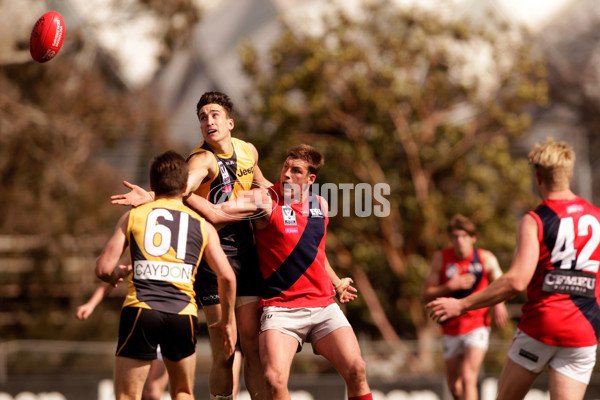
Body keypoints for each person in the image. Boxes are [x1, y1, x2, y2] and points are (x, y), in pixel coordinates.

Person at [111, 92, 269, 400]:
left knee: (252, 346)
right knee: (226, 346)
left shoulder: (248, 151)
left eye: (214, 115)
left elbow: (265, 187)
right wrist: (153, 198)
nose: (208, 121)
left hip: (246, 256)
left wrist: (293, 198)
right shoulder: (202, 159)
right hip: (212, 260)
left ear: (230, 122)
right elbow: (181, 188)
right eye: (202, 117)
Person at [186, 144, 372, 400]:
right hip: (282, 309)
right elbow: (216, 214)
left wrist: (337, 282)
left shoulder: (321, 204)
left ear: (311, 178)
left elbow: (317, 254)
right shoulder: (264, 199)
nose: (286, 174)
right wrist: (170, 193)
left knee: (357, 370)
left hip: (323, 306)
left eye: (296, 170)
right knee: (273, 380)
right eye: (286, 166)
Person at [427, 138, 600, 400]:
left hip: (542, 325)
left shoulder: (535, 219)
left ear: (537, 177)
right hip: (585, 330)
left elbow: (516, 282)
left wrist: (462, 305)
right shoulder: (597, 217)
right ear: (570, 174)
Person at [96, 150, 237, 400]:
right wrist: (226, 321)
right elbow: (227, 277)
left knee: (128, 395)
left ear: (151, 185)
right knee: (183, 391)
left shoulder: (133, 216)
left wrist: (115, 273)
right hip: (182, 315)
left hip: (141, 310)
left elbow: (103, 268)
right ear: (185, 186)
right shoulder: (201, 225)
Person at [421, 214, 509, 400]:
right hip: (451, 326)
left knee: (469, 376)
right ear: (451, 239)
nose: (459, 241)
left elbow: (502, 284)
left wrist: (500, 304)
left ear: (472, 238)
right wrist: (450, 286)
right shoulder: (441, 258)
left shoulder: (485, 258)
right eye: (455, 237)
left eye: (464, 236)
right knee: (454, 386)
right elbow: (425, 294)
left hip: (477, 324)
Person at [77, 282, 169, 400]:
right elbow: (109, 275)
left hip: (167, 329)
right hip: (140, 327)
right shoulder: (138, 263)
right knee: (129, 393)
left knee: (153, 394)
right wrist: (91, 304)